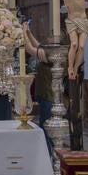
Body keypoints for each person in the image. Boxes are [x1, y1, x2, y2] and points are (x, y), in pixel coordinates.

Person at [22, 22, 54, 150]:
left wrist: (23, 32)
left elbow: (30, 49)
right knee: (43, 126)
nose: (49, 37)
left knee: (46, 129)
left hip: (49, 97)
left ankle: (49, 155)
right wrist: (29, 32)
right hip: (45, 95)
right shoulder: (49, 51)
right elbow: (38, 46)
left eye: (52, 36)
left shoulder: (53, 55)